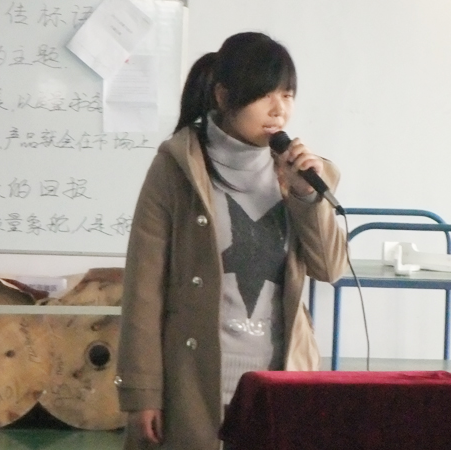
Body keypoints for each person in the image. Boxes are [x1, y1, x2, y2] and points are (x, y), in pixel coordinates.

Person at [115, 31, 348, 450]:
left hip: (278, 385)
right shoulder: (176, 168)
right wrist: (142, 392)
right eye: (265, 95)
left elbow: (330, 268)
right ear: (224, 96)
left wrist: (306, 197)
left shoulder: (301, 174)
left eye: (288, 95)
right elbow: (143, 289)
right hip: (194, 384)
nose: (279, 110)